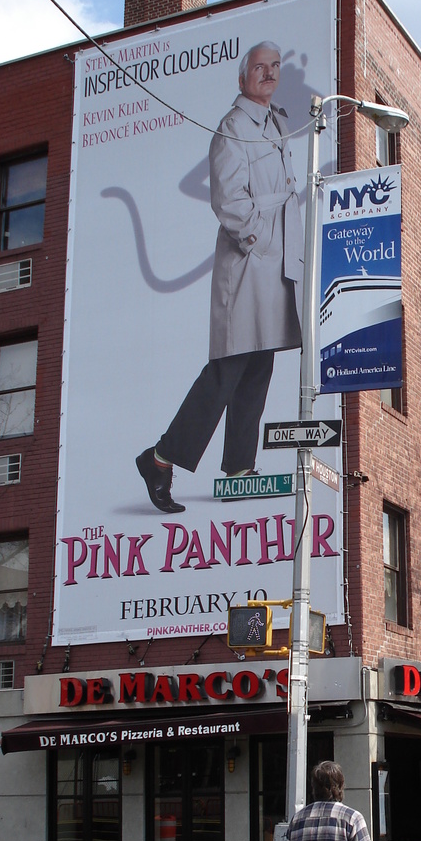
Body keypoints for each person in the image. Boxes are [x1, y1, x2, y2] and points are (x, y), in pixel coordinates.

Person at [137, 41, 304, 512]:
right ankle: (162, 456)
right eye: (259, 67)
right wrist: (259, 241)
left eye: (275, 66)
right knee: (227, 367)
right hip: (251, 260)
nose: (268, 74)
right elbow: (228, 201)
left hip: (276, 262)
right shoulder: (233, 129)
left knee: (259, 364)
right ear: (242, 76)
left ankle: (238, 468)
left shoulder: (277, 121)